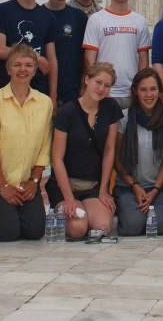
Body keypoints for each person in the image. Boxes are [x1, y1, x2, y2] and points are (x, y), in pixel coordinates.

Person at [0, 44, 53, 241]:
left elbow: (44, 147)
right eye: (17, 65)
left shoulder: (45, 103)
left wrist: (34, 181)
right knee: (7, 232)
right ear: (8, 69)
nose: (22, 69)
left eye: (28, 65)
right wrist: (3, 186)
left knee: (35, 231)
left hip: (26, 182)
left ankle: (10, 213)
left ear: (35, 70)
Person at [47, 62, 123, 239]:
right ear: (87, 80)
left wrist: (103, 189)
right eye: (98, 82)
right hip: (66, 184)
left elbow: (109, 150)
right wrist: (69, 199)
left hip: (92, 184)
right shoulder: (67, 112)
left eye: (107, 85)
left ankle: (88, 210)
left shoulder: (111, 108)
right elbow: (57, 158)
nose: (101, 89)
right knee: (77, 229)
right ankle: (66, 209)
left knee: (103, 227)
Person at [114, 68, 163, 236]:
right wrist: (134, 186)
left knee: (161, 226)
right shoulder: (124, 118)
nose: (149, 94)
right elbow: (116, 160)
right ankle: (130, 211)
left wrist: (155, 190)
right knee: (132, 226)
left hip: (159, 187)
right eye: (143, 89)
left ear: (160, 91)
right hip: (128, 187)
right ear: (135, 92)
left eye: (153, 89)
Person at [83, 0, 152, 108]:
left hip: (130, 92)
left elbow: (144, 60)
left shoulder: (139, 21)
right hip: (104, 92)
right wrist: (101, 87)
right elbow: (89, 59)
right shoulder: (96, 19)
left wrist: (139, 87)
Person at [0, 0, 59, 101]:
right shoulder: (1, 11)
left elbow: (51, 59)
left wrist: (53, 96)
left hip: (39, 91)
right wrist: (35, 57)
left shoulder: (48, 17)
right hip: (8, 91)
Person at [44, 0, 88, 110]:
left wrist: (83, 86)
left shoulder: (79, 17)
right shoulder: (38, 15)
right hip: (41, 92)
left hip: (73, 94)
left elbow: (86, 56)